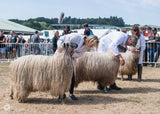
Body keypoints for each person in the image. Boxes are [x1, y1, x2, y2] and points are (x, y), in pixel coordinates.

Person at [57, 33, 99, 100]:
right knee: (61, 76)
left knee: (72, 77)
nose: (91, 47)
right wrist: (60, 47)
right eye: (92, 45)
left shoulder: (86, 47)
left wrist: (74, 54)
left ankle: (71, 94)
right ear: (90, 41)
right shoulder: (76, 37)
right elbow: (61, 39)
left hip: (71, 60)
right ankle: (61, 93)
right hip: (61, 56)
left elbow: (80, 54)